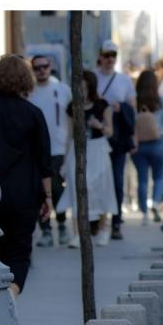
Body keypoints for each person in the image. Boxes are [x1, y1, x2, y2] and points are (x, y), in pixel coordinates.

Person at [0, 54, 52, 297]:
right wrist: (48, 198)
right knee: (20, 252)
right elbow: (44, 161)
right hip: (24, 194)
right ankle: (11, 294)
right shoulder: (33, 113)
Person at [57, 70, 117, 247]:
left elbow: (110, 131)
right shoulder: (72, 107)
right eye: (79, 87)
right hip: (78, 149)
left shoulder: (102, 105)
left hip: (98, 148)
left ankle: (103, 229)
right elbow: (69, 134)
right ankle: (76, 233)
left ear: (91, 87)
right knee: (77, 189)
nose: (82, 91)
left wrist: (99, 125)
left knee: (101, 188)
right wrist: (65, 158)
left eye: (85, 87)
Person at [28, 54, 72, 247]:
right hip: (35, 149)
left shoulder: (62, 90)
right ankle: (46, 229)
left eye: (44, 66)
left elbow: (73, 118)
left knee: (57, 188)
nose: (42, 71)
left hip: (59, 147)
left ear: (50, 66)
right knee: (39, 190)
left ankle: (61, 223)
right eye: (37, 68)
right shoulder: (29, 92)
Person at [94, 40, 136, 240]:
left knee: (117, 181)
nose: (110, 59)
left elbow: (132, 109)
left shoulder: (124, 80)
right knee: (95, 180)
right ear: (100, 56)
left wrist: (121, 108)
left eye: (113, 56)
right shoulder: (92, 78)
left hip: (117, 138)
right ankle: (95, 221)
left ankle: (116, 222)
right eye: (107, 55)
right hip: (95, 136)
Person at [131, 69, 163, 225]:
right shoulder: (160, 100)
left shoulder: (135, 101)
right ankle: (156, 204)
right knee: (159, 176)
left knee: (142, 179)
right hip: (159, 142)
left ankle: (144, 212)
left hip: (139, 144)